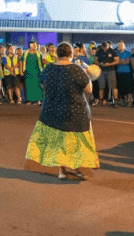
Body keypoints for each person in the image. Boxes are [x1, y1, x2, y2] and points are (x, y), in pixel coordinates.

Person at [25, 42, 99, 180]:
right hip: (75, 111)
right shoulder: (76, 69)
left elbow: (42, 84)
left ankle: (62, 170)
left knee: (58, 141)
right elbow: (88, 90)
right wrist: (88, 75)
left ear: (57, 54)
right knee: (75, 142)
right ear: (70, 54)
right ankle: (76, 168)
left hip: (52, 109)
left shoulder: (48, 69)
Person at [95, 41, 119, 106]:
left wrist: (109, 64)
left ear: (108, 45)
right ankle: (101, 100)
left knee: (113, 86)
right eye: (104, 47)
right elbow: (95, 60)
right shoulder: (99, 51)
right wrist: (99, 63)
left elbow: (117, 61)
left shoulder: (113, 51)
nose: (105, 48)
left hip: (110, 70)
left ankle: (115, 101)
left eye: (106, 46)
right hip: (101, 71)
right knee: (101, 86)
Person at [114, 41, 134, 106]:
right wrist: (122, 61)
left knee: (128, 87)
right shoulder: (116, 53)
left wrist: (119, 61)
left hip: (127, 72)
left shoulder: (128, 53)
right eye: (119, 45)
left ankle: (129, 100)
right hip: (119, 72)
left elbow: (128, 61)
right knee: (121, 88)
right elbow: (115, 62)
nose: (120, 46)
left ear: (124, 46)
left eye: (121, 45)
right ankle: (125, 100)